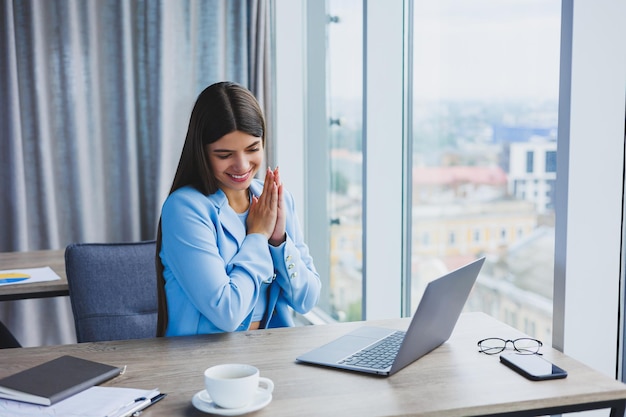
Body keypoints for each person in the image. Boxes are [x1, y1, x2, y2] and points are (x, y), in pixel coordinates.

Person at [156, 81, 321, 337]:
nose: (242, 165)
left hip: (271, 355)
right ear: (202, 152)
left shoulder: (274, 199)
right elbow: (228, 313)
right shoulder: (185, 209)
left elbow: (307, 299)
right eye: (224, 155)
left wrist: (278, 241)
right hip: (202, 365)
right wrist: (257, 237)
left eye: (253, 149)